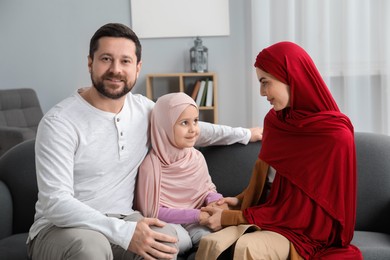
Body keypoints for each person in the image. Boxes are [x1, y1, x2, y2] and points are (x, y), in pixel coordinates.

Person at [26, 22, 263, 260]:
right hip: (62, 228)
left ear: (137, 68)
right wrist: (125, 233)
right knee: (91, 248)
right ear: (90, 62)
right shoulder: (59, 122)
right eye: (106, 59)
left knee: (170, 242)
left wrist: (245, 134)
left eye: (125, 61)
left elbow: (187, 128)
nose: (115, 69)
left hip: (123, 218)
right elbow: (56, 202)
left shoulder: (143, 110)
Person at [196, 41, 363, 259]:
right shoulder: (275, 122)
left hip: (302, 231)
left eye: (265, 82)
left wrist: (230, 217)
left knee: (248, 248)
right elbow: (272, 184)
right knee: (210, 243)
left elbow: (303, 212)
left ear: (290, 77)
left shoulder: (334, 135)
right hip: (268, 216)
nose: (262, 92)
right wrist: (237, 200)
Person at [135, 92, 228, 256]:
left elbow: (207, 189)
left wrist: (215, 202)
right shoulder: (150, 166)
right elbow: (152, 211)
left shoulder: (196, 157)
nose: (193, 129)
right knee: (173, 242)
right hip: (170, 223)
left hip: (199, 218)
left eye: (196, 121)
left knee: (213, 239)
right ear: (165, 126)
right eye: (184, 123)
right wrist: (196, 215)